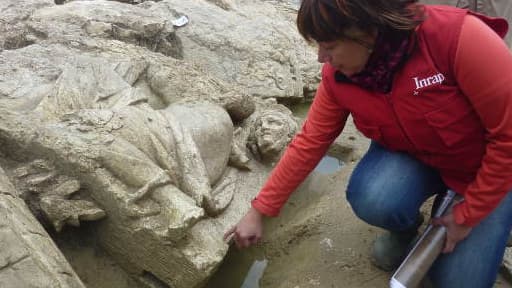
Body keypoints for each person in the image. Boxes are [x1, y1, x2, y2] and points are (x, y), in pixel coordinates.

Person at [224, 0, 512, 287]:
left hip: (487, 167)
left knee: (460, 283)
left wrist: (468, 215)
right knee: (373, 197)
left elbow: (509, 139)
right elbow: (310, 141)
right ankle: (405, 231)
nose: (321, 58)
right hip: (421, 155)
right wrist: (258, 211)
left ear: (366, 30)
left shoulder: (458, 37)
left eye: (330, 46)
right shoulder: (338, 77)